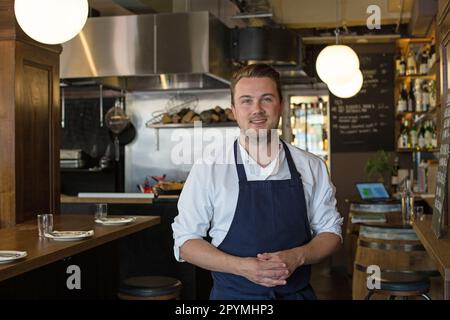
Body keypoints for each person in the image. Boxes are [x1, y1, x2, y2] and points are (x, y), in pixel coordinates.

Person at [172, 63, 343, 300]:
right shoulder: (209, 167)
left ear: (280, 105)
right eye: (246, 100)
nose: (257, 109)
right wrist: (241, 267)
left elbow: (331, 232)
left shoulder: (311, 167)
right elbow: (185, 242)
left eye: (266, 99)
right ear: (233, 110)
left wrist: (298, 257)